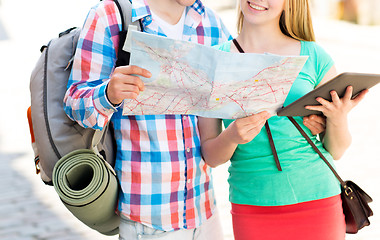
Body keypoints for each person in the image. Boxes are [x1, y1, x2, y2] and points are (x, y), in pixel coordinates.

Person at [198, 0, 368, 240]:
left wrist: (338, 118)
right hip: (252, 206)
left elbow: (337, 150)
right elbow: (211, 156)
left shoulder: (314, 55)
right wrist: (232, 136)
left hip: (318, 200)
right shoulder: (215, 62)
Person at [63, 0, 231, 239]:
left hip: (205, 212)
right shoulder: (111, 15)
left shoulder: (210, 23)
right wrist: (109, 93)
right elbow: (74, 103)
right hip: (149, 221)